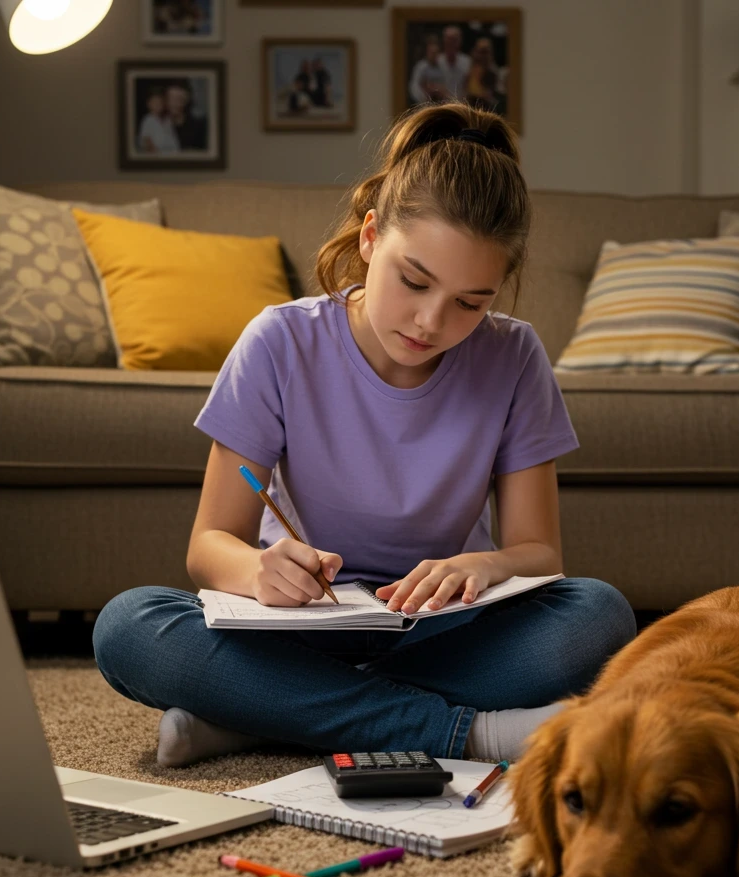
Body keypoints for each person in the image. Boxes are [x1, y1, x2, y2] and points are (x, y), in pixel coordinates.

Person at [92, 101, 637, 769]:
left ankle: (261, 716)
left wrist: (482, 564)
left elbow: (540, 554)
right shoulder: (280, 341)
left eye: (472, 302)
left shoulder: (515, 356)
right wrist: (258, 570)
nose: (432, 321)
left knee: (598, 616)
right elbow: (210, 548)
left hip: (442, 633)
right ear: (371, 237)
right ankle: (468, 735)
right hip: (298, 630)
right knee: (127, 625)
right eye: (414, 281)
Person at [165, 80, 208, 151]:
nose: (174, 103)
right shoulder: (159, 124)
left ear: (186, 101)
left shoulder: (199, 127)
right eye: (171, 98)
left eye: (178, 99)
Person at [136, 86, 180, 154]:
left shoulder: (167, 119)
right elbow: (147, 140)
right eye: (154, 102)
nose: (157, 105)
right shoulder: (148, 119)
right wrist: (155, 153)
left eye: (160, 102)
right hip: (157, 155)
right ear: (148, 104)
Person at [408, 33, 448, 103]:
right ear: (427, 52)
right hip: (424, 102)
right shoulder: (420, 67)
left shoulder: (443, 66)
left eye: (436, 52)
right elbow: (414, 86)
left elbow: (447, 84)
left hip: (441, 101)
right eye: (431, 52)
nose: (434, 55)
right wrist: (424, 97)